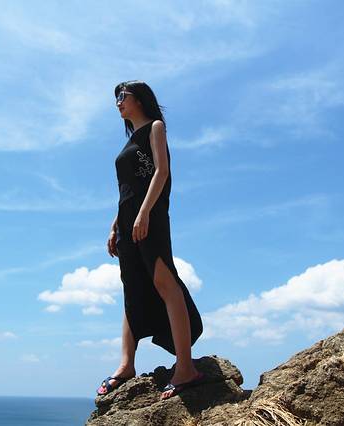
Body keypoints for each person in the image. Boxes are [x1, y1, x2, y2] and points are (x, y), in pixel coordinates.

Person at [96, 80, 205, 401]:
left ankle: (185, 367)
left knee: (163, 281)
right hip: (127, 221)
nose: (118, 102)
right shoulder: (128, 143)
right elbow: (127, 191)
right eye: (115, 97)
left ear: (140, 99)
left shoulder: (155, 128)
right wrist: (115, 226)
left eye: (123, 96)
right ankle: (126, 365)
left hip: (151, 216)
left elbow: (161, 172)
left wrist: (144, 213)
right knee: (131, 287)